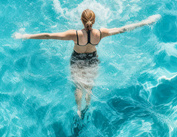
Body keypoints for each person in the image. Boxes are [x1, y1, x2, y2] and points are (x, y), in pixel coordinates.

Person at [14, 9, 161, 118]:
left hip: (77, 59)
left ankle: (78, 109)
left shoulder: (75, 34)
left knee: (78, 86)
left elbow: (49, 36)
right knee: (89, 86)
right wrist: (146, 22)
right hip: (92, 59)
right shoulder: (100, 33)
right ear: (94, 21)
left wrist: (25, 36)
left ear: (81, 21)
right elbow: (123, 29)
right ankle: (87, 106)